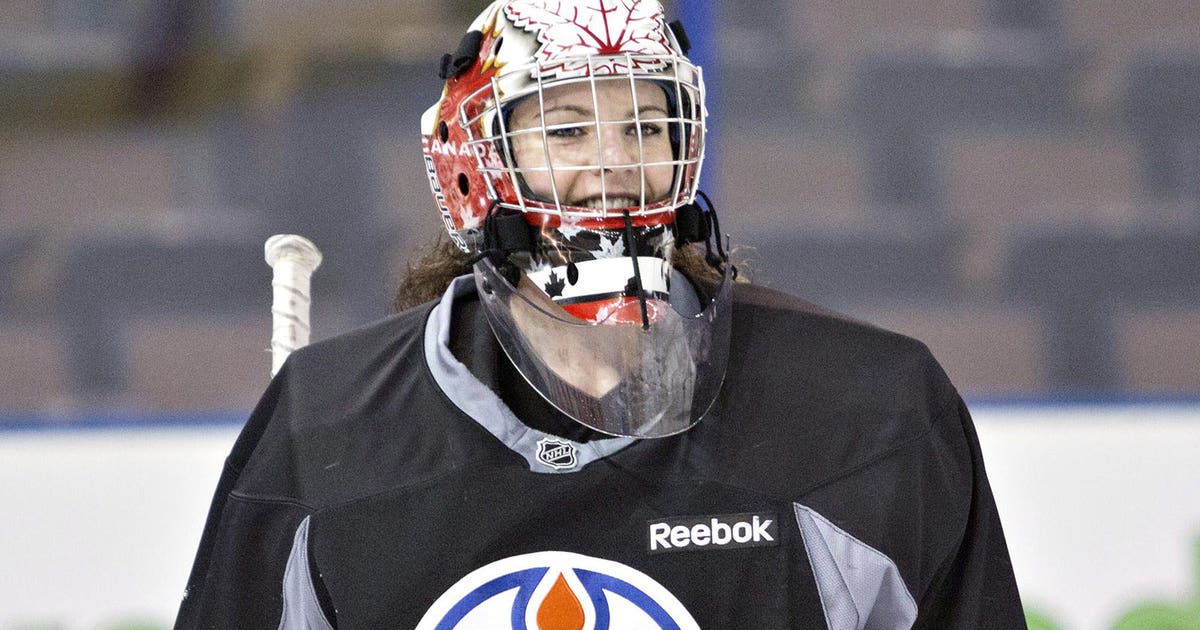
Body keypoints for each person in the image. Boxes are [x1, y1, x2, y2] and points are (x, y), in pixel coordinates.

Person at [175, 1, 1025, 628]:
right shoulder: (325, 422)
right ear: (472, 165)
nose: (617, 165)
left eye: (646, 124)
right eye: (568, 131)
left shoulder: (869, 409)